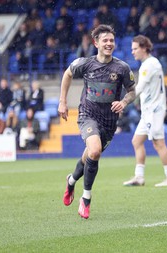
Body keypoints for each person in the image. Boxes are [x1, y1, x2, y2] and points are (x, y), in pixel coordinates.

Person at [59, 25, 136, 219]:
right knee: (94, 151)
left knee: (89, 157)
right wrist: (62, 102)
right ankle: (86, 199)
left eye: (111, 40)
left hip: (109, 122)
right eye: (105, 41)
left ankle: (71, 179)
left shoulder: (122, 68)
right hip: (88, 115)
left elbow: (132, 92)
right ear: (96, 43)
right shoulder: (84, 64)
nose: (109, 44)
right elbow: (67, 74)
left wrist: (124, 102)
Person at [122, 35, 167, 187]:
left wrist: (124, 101)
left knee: (159, 143)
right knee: (137, 141)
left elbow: (140, 88)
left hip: (154, 110)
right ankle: (139, 177)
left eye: (135, 49)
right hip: (148, 111)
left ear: (144, 48)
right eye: (132, 49)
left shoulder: (149, 64)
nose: (133, 52)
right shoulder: (150, 63)